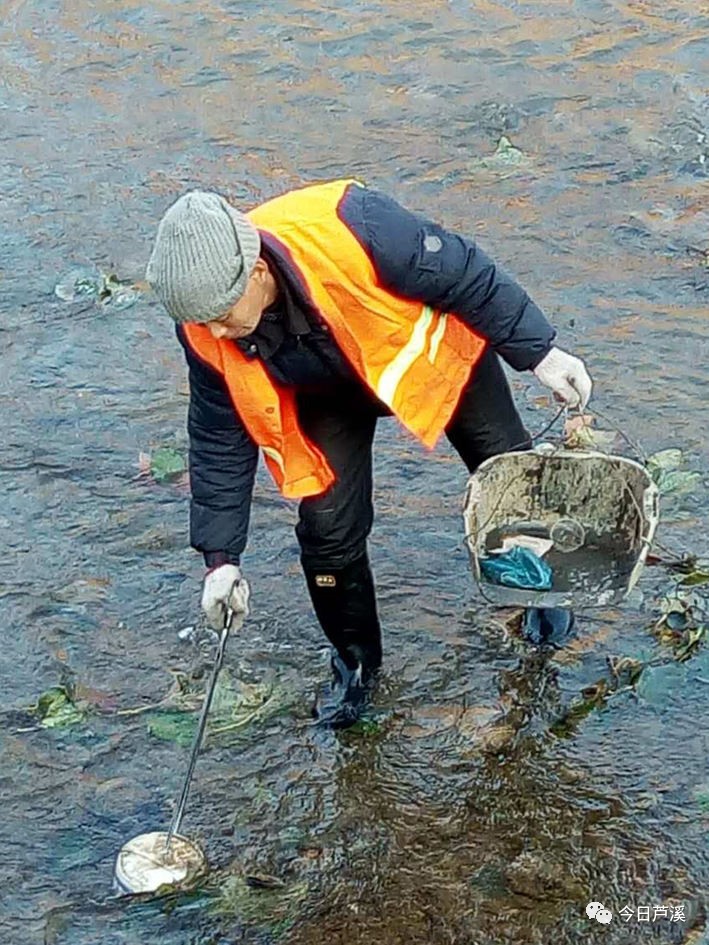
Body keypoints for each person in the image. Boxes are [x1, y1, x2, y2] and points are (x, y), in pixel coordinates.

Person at [146, 178, 592, 728]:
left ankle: (548, 613)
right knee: (327, 533)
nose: (215, 331)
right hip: (327, 392)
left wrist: (540, 353)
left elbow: (466, 273)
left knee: (510, 481)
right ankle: (356, 667)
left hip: (432, 357)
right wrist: (221, 561)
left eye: (222, 316)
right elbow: (217, 435)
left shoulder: (358, 226)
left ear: (257, 272)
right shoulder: (202, 321)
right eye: (203, 322)